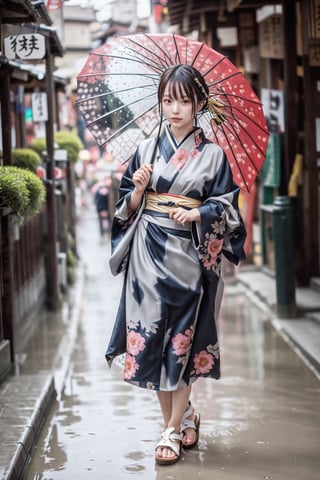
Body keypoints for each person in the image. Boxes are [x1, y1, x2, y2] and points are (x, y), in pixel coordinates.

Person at [105, 64, 246, 466]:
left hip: (189, 257)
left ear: (199, 103)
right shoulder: (145, 150)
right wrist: (137, 190)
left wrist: (200, 213)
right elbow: (124, 210)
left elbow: (227, 208)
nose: (175, 108)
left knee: (182, 341)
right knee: (149, 336)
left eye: (183, 100)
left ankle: (169, 429)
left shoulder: (213, 155)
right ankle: (178, 419)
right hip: (147, 254)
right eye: (168, 100)